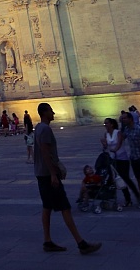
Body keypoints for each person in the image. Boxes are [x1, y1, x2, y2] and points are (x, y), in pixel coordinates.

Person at [33, 103, 100, 255]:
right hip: (48, 175)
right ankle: (81, 243)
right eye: (51, 110)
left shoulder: (38, 128)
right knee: (65, 207)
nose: (53, 112)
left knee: (47, 207)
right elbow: (45, 152)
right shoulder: (44, 129)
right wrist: (53, 174)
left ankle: (47, 241)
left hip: (42, 173)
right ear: (45, 113)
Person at [100, 117, 136, 207]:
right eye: (104, 123)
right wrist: (104, 144)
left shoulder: (118, 133)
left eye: (107, 123)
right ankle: (127, 199)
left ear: (112, 124)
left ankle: (136, 194)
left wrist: (115, 150)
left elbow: (119, 143)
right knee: (119, 179)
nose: (105, 125)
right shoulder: (106, 134)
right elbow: (106, 147)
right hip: (113, 159)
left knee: (125, 177)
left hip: (122, 158)